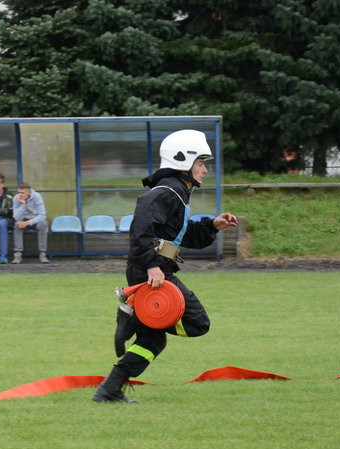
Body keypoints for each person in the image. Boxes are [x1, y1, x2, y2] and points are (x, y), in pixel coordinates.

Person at [92, 129, 238, 403]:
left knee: (152, 342)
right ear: (183, 161)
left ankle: (108, 391)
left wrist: (212, 225)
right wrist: (151, 267)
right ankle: (134, 315)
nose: (205, 170)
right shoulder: (166, 192)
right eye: (201, 163)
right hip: (151, 272)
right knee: (198, 323)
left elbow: (181, 236)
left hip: (152, 270)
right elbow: (139, 232)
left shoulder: (178, 193)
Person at [12, 183, 49, 264]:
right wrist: (23, 205)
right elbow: (16, 217)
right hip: (23, 219)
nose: (20, 195)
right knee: (17, 225)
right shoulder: (16, 198)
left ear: (29, 192)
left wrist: (28, 223)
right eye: (19, 192)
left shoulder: (37, 196)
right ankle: (18, 254)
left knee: (43, 224)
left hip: (36, 219)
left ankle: (43, 254)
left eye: (22, 193)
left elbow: (42, 215)